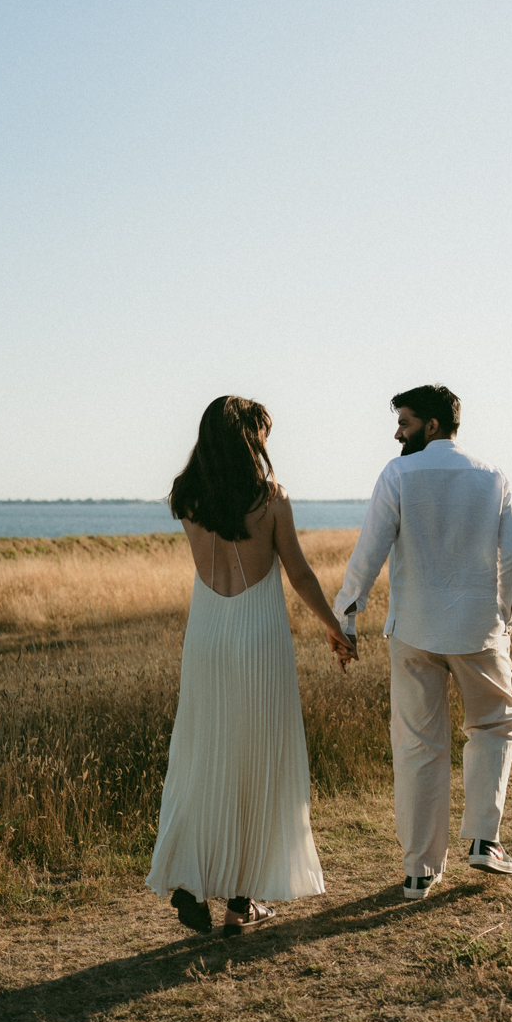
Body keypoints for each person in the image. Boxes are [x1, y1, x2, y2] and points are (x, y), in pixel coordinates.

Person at [145, 395, 357, 937]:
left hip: (209, 639)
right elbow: (301, 576)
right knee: (258, 760)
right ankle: (241, 904)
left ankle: (191, 884)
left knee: (202, 755)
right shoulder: (272, 500)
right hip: (260, 639)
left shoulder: (186, 498)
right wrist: (335, 628)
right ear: (250, 440)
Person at [333, 384, 512, 899]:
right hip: (477, 630)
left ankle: (420, 870)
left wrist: (347, 617)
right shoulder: (493, 477)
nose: (397, 432)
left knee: (418, 746)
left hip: (413, 633)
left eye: (405, 422)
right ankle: (485, 841)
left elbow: (369, 552)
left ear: (434, 426)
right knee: (492, 725)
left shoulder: (397, 474)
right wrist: (503, 618)